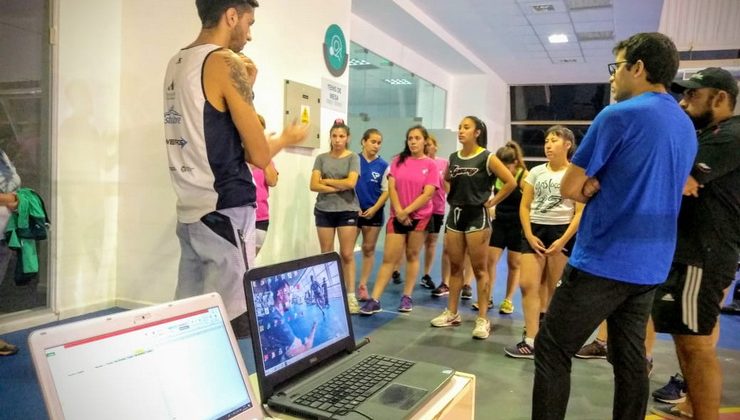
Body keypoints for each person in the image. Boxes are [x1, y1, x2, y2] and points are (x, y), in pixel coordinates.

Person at [534, 32, 696, 419]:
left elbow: (571, 186)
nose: (612, 77)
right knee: (629, 358)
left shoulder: (619, 115)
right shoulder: (684, 124)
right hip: (651, 264)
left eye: (617, 67)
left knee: (552, 348)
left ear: (638, 68)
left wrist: (588, 187)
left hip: (603, 261)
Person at [163, 0, 308, 337]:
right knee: (233, 323)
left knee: (189, 316)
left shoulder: (177, 62)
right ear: (231, 16)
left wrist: (248, 85)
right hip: (225, 208)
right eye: (249, 22)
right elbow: (257, 153)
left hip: (190, 211)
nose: (250, 34)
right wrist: (287, 137)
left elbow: (210, 127)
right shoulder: (223, 61)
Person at [650, 67, 740, 420]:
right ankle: (692, 406)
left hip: (703, 254)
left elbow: (679, 179)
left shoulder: (730, 134)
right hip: (691, 253)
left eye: (693, 95)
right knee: (687, 339)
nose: (684, 102)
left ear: (719, 98)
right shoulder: (707, 133)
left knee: (695, 344)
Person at [430, 116, 516, 340]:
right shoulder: (453, 157)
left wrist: (492, 202)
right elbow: (446, 179)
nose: (461, 131)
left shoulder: (487, 157)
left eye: (466, 128)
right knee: (455, 267)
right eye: (459, 128)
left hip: (477, 216)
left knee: (479, 269)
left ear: (477, 132)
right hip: (455, 215)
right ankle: (452, 312)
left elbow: (510, 182)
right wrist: (452, 194)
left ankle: (482, 318)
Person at [504, 126, 583, 358]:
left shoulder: (575, 173)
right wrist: (528, 234)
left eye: (554, 141)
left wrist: (563, 240)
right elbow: (525, 205)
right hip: (535, 231)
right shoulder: (536, 173)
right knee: (528, 284)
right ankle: (530, 339)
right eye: (546, 141)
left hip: (561, 232)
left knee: (554, 289)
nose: (548, 145)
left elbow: (579, 212)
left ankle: (551, 339)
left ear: (567, 145)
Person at [359, 125, 439, 315]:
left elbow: (428, 194)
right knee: (389, 259)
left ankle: (407, 296)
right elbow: (391, 188)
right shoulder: (397, 161)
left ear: (425, 141)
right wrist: (400, 212)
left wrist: (408, 211)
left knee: (412, 255)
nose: (413, 141)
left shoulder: (431, 165)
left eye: (417, 138)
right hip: (397, 218)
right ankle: (375, 299)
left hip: (419, 218)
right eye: (410, 138)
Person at [310, 119, 361, 313]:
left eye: (341, 136)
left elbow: (351, 183)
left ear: (347, 138)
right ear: (330, 137)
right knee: (327, 254)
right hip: (324, 209)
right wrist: (338, 184)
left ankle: (350, 296)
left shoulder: (353, 157)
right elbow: (313, 185)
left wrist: (327, 182)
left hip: (347, 209)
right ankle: (329, 294)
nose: (337, 140)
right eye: (334, 136)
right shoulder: (321, 158)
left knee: (347, 254)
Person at [482, 141, 528, 314]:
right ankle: (488, 296)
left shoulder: (524, 176)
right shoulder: (497, 177)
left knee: (514, 263)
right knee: (490, 261)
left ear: (514, 162)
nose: (501, 168)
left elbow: (529, 201)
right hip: (500, 222)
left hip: (517, 225)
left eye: (505, 165)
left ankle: (508, 299)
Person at [354, 128, 389, 302]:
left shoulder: (383, 166)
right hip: (353, 211)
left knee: (368, 248)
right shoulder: (353, 160)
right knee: (347, 251)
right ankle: (346, 287)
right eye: (373, 141)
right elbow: (348, 185)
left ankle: (362, 285)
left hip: (373, 213)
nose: (376, 145)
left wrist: (374, 208)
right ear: (363, 141)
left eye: (379, 142)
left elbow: (386, 191)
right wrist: (354, 205)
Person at [261, 278, 317, 370]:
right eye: (288, 294)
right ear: (280, 294)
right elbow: (306, 348)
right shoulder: (277, 321)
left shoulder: (271, 314)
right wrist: (313, 329)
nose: (290, 298)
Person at [419, 135, 447, 291]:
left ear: (435, 146)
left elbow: (447, 185)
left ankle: (426, 275)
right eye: (426, 145)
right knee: (414, 243)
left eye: (430, 144)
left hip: (438, 208)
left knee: (432, 242)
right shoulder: (420, 164)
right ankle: (397, 270)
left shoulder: (444, 163)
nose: (428, 147)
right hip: (422, 208)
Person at [0, 148, 20, 357]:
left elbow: (15, 189)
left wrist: (15, 199)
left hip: (3, 234)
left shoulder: (2, 154)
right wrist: (10, 198)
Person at [251, 114, 278, 255]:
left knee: (249, 262)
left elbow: (272, 181)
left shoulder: (267, 158)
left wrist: (265, 154)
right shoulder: (235, 153)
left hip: (260, 217)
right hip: (239, 217)